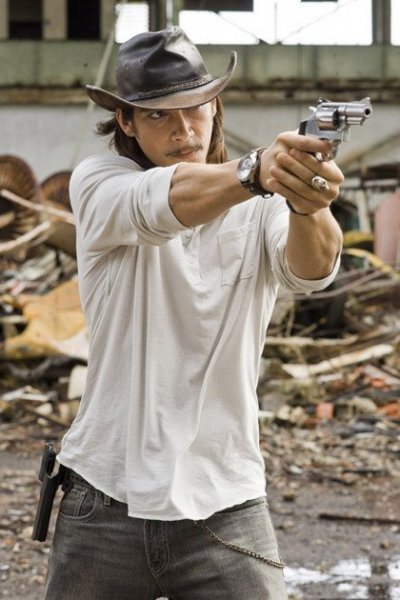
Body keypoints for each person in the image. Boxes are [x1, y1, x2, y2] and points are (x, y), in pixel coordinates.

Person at [44, 26, 343, 600]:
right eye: (159, 116)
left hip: (226, 497)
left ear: (215, 107)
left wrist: (309, 202)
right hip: (105, 495)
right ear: (126, 121)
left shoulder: (261, 204)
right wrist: (257, 172)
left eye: (195, 109)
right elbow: (158, 202)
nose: (183, 130)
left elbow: (312, 272)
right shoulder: (100, 182)